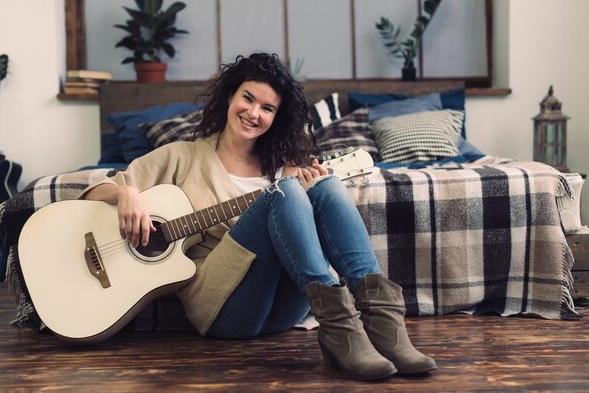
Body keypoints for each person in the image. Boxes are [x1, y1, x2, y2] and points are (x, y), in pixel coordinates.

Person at [81, 53, 436, 380]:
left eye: (267, 108)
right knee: (285, 191)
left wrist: (309, 189)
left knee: (324, 187)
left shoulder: (284, 168)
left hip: (284, 311)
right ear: (230, 98)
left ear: (276, 118)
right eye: (248, 99)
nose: (254, 113)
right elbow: (92, 192)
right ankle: (347, 332)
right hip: (225, 310)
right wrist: (126, 192)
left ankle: (380, 325)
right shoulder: (180, 156)